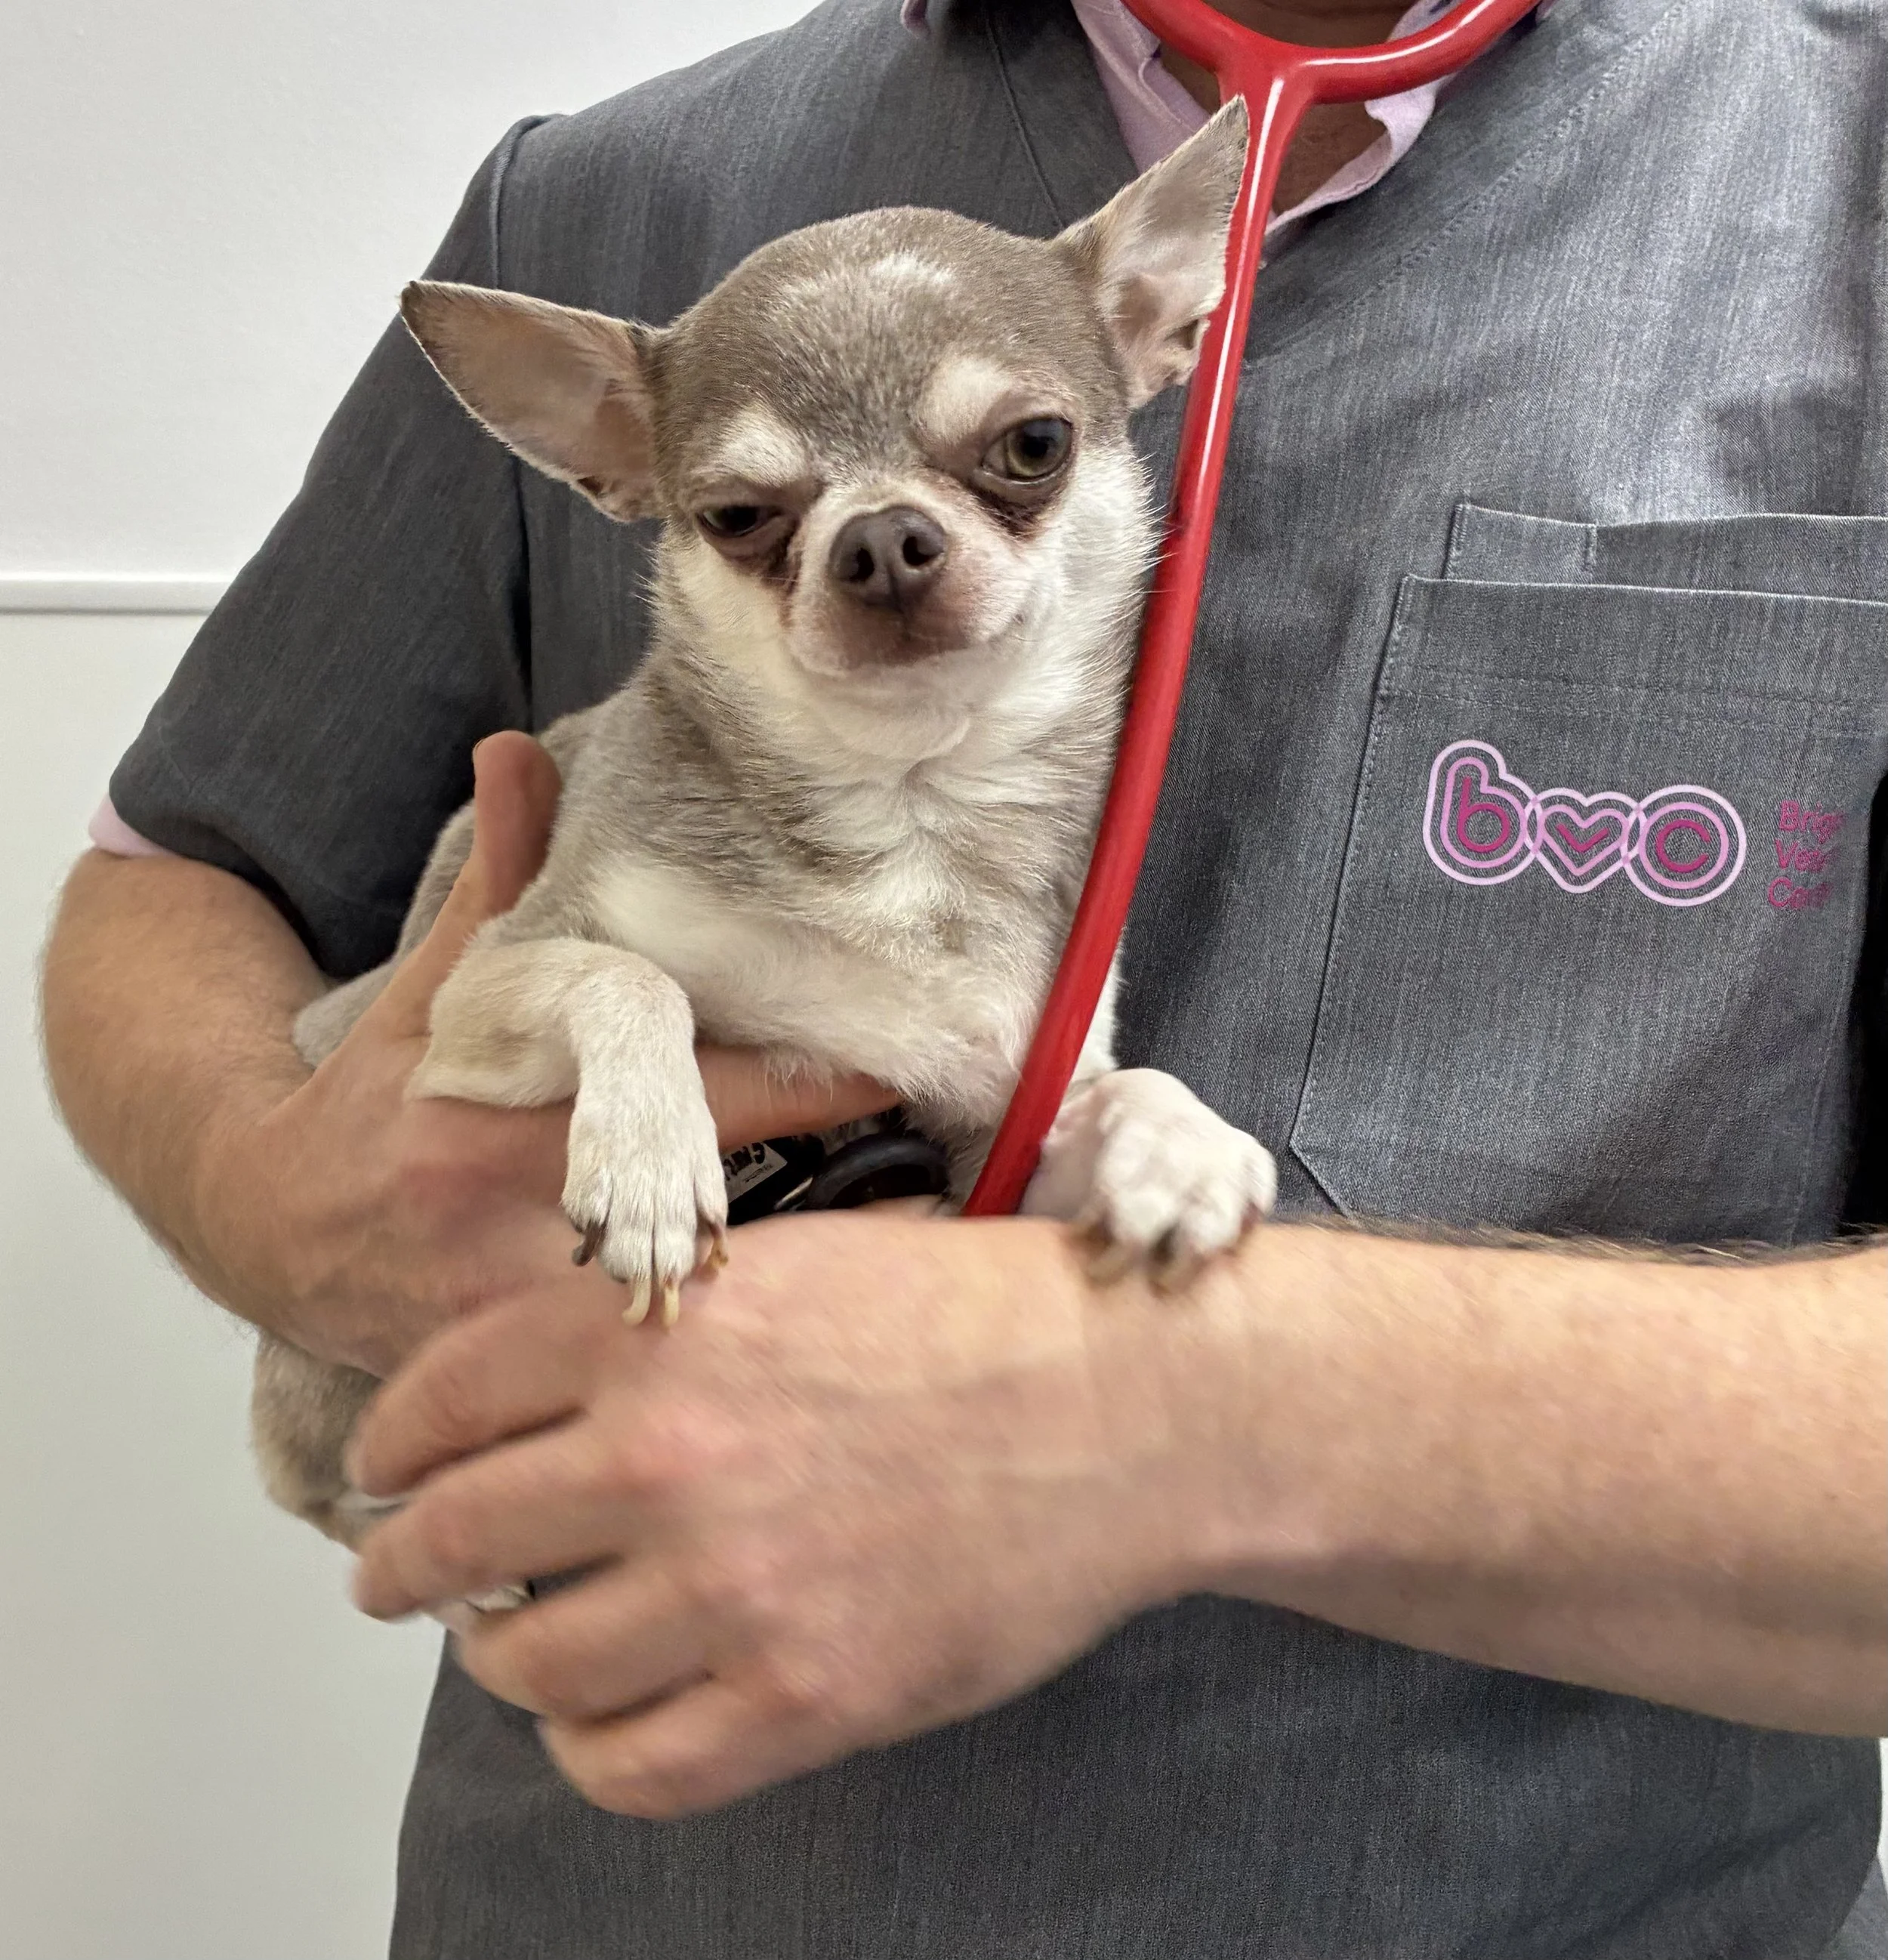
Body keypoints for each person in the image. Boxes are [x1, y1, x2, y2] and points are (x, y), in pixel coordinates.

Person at [39, 0, 1888, 1952]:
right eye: (754, 519)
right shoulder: (606, 204)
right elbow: (188, 870)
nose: (886, 547)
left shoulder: (1833, 181)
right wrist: (288, 1195)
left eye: (1015, 453)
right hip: (644, 1885)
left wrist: (1181, 1407)